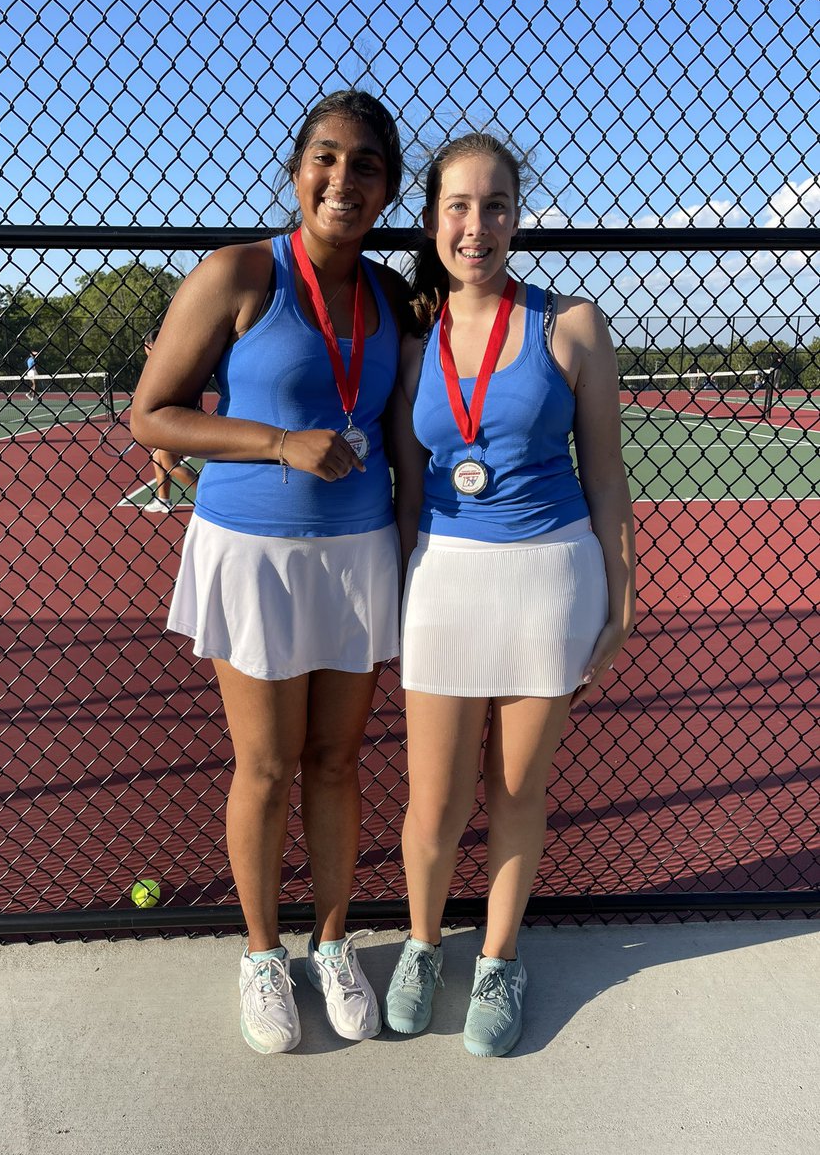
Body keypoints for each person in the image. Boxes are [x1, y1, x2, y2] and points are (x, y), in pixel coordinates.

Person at [130, 90, 409, 1054]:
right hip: (252, 554)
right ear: (297, 172)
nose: (342, 179)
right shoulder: (241, 272)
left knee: (335, 762)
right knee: (266, 764)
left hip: (358, 553)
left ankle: (331, 943)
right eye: (325, 157)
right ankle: (261, 953)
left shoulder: (390, 296)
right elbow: (153, 412)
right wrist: (278, 442)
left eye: (365, 164)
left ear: (387, 189)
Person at [385, 133, 636, 1057]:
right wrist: (401, 592)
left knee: (519, 790)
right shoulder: (413, 345)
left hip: (548, 580)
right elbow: (409, 491)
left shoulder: (572, 325)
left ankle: (498, 959)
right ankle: (422, 945)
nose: (476, 225)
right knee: (436, 801)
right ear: (432, 219)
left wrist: (623, 597)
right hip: (446, 580)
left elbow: (605, 475)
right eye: (458, 206)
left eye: (495, 206)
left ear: (517, 217)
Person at [141, 330, 199, 513]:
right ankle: (163, 499)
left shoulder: (159, 364)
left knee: (170, 465)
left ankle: (209, 497)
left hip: (169, 420)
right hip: (171, 417)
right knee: (157, 457)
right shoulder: (172, 359)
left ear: (150, 345)